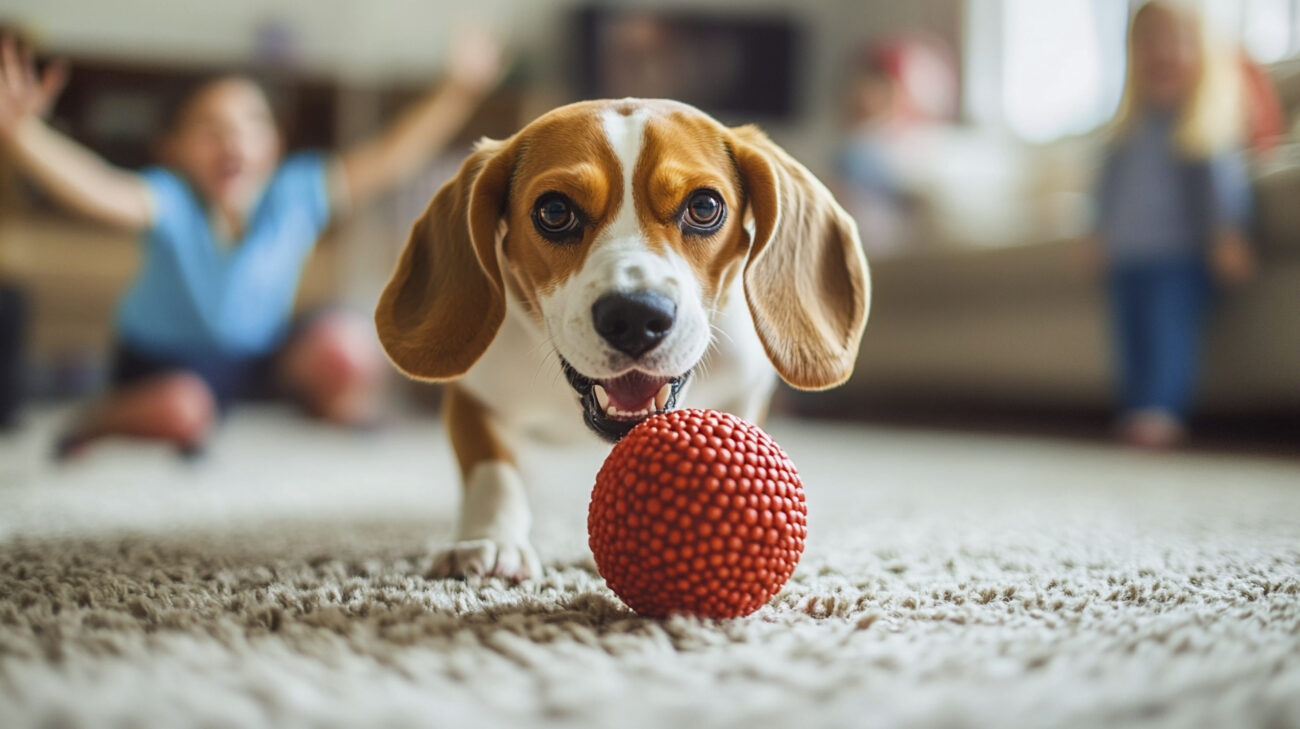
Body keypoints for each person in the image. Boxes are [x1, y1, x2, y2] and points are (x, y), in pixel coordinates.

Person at [0, 30, 504, 458]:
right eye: (210, 129)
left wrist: (457, 90)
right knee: (183, 409)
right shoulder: (169, 198)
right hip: (163, 362)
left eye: (249, 126)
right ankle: (98, 417)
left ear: (274, 144)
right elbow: (99, 188)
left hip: (256, 357)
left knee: (347, 348)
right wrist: (21, 135)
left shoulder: (295, 191)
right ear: (171, 149)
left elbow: (390, 157)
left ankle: (328, 414)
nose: (233, 141)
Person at [1089, 1, 1255, 449]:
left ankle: (1160, 410)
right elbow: (1105, 193)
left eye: (1176, 40)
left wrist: (1228, 234)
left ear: (1202, 54)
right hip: (1127, 256)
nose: (1162, 52)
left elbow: (1221, 191)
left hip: (1176, 257)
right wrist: (1099, 234)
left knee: (1167, 333)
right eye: (1149, 41)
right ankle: (1135, 405)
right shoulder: (1124, 133)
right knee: (1131, 336)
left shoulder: (1200, 129)